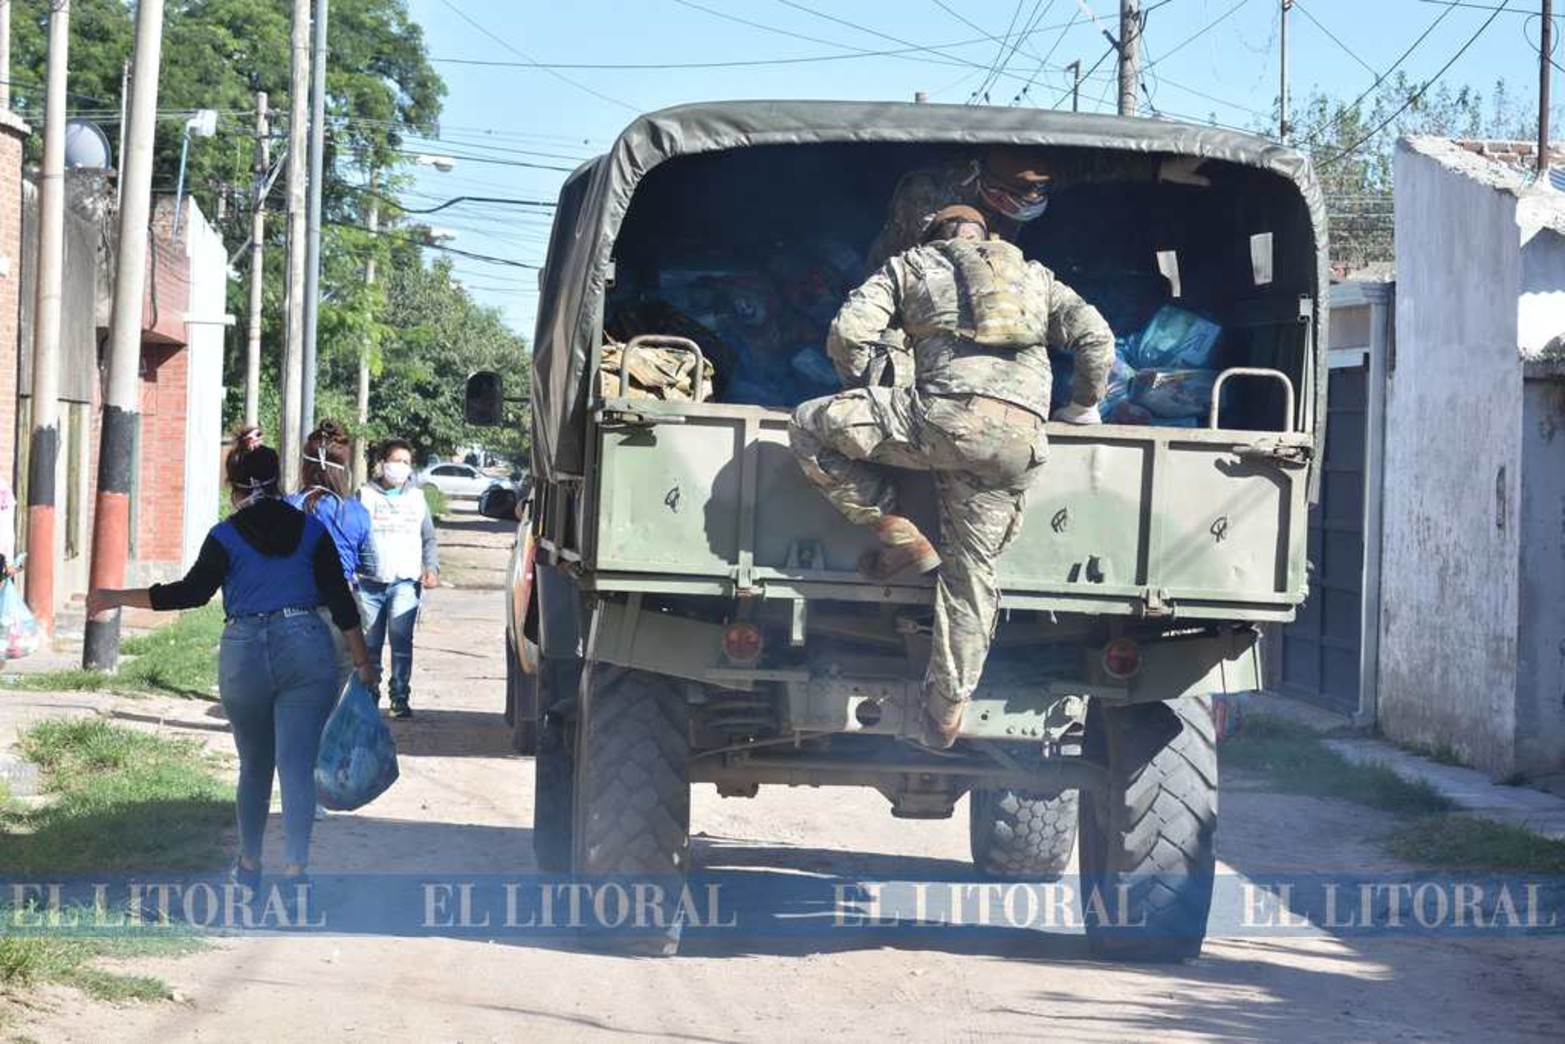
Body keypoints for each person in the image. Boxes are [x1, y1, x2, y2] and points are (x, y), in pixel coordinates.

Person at [790, 205, 1114, 749]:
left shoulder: (913, 264)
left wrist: (866, 386)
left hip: (938, 420)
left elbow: (849, 333)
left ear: (935, 235)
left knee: (806, 424)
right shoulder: (1036, 275)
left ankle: (898, 529)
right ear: (987, 237)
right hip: (1018, 442)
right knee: (971, 575)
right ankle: (944, 714)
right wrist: (1082, 406)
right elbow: (1097, 340)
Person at [86, 427, 377, 888]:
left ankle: (249, 864)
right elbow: (340, 601)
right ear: (278, 481)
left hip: (243, 652)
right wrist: (363, 663)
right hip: (305, 644)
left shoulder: (224, 536)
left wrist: (114, 596)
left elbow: (189, 593)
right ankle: (297, 867)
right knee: (296, 766)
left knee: (255, 764)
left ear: (235, 488)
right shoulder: (312, 529)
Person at [866, 147, 1054, 271]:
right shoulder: (929, 192)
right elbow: (923, 263)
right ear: (996, 194)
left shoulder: (1006, 205)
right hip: (902, 277)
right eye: (1021, 201)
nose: (1028, 208)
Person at [357, 438, 439, 719]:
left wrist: (432, 567)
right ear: (381, 463)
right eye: (396, 461)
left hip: (405, 582)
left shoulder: (417, 498)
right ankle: (370, 697)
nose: (401, 467)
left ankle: (400, 698)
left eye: (406, 462)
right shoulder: (364, 496)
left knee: (401, 642)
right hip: (369, 582)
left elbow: (428, 538)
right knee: (370, 644)